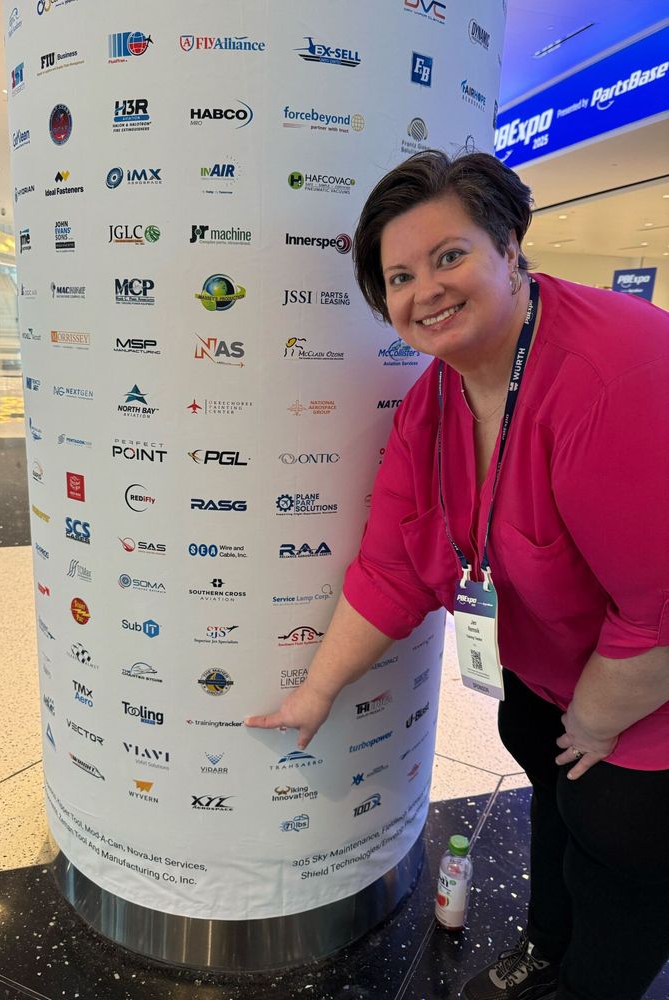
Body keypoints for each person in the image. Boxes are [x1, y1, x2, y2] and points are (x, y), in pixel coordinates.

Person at [246, 150, 669, 1000]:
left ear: (510, 246)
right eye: (398, 276)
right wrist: (317, 691)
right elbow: (393, 568)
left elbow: (662, 607)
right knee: (555, 812)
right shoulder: (432, 401)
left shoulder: (616, 373)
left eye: (449, 256)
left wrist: (593, 719)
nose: (424, 290)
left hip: (644, 692)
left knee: (616, 851)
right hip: (555, 678)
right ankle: (547, 955)